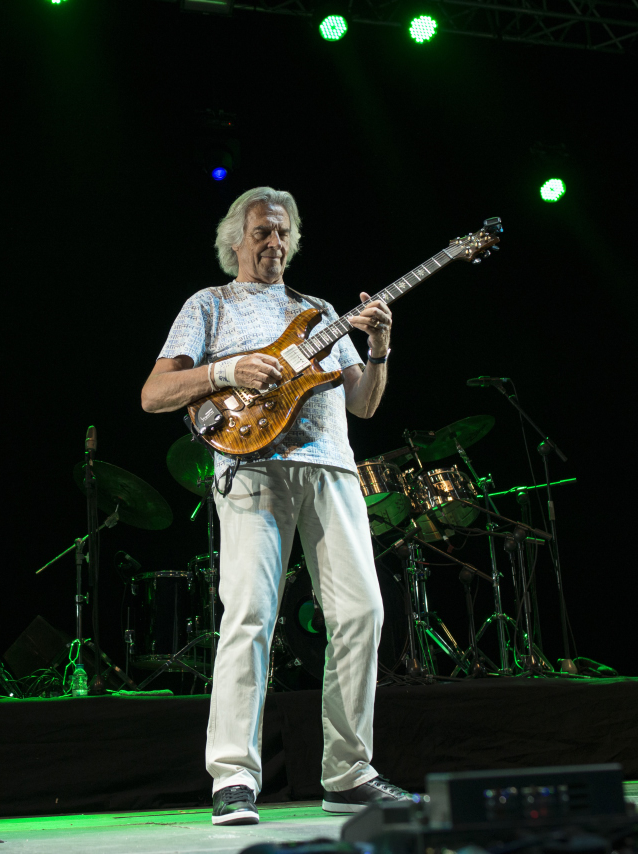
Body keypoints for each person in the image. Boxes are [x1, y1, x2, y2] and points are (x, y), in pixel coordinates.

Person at [140, 187, 413, 824]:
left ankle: (348, 773)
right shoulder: (209, 304)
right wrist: (227, 371)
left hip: (333, 471)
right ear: (235, 240)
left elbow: (364, 404)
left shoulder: (321, 312)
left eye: (283, 232)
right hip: (253, 469)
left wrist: (379, 347)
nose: (275, 242)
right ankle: (233, 777)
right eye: (263, 231)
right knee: (251, 616)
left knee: (362, 614)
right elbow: (154, 394)